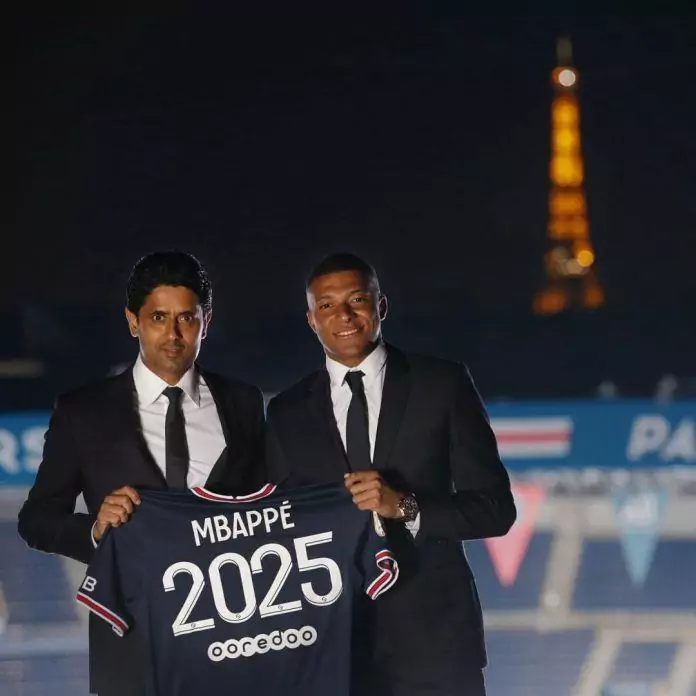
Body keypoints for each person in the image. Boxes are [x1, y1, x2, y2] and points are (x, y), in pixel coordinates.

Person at [264, 252, 516, 696]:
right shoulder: (287, 411)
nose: (344, 315)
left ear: (380, 306)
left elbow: (496, 510)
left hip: (436, 645)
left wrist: (405, 506)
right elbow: (279, 523)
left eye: (357, 300)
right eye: (327, 305)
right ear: (311, 320)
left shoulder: (442, 384)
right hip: (336, 649)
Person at [17, 251, 265, 696]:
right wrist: (95, 532)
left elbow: (272, 506)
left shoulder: (244, 403)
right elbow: (36, 520)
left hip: (233, 645)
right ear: (133, 321)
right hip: (129, 648)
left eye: (187, 318)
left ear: (206, 321)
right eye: (158, 318)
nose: (173, 334)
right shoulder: (83, 412)